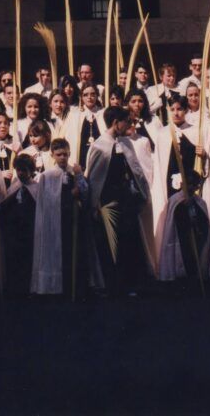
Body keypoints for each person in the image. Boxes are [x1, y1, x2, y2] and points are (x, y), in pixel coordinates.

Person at [86, 106, 154, 296]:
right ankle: (114, 286)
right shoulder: (100, 146)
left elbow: (135, 171)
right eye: (127, 122)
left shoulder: (125, 143)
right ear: (116, 123)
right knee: (112, 244)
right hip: (108, 203)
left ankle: (131, 284)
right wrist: (95, 205)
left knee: (129, 241)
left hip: (126, 200)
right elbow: (94, 179)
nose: (130, 125)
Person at [151, 96, 209, 285]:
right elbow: (160, 164)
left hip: (191, 188)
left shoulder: (195, 131)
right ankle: (173, 269)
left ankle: (193, 269)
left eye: (180, 109)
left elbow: (202, 163)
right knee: (174, 228)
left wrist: (203, 155)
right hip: (171, 189)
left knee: (192, 228)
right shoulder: (163, 134)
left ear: (186, 110)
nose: (176, 113)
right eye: (173, 109)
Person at [31, 138, 89, 297]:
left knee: (74, 253)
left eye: (65, 154)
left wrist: (79, 175)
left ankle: (75, 287)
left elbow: (85, 192)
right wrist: (70, 195)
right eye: (59, 154)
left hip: (74, 220)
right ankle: (57, 288)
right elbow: (49, 202)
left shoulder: (74, 171)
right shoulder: (47, 176)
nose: (62, 157)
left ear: (69, 153)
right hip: (57, 221)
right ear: (52, 155)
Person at [0, 153, 38, 296]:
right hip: (13, 231)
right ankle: (13, 288)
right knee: (13, 259)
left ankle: (26, 288)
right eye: (18, 170)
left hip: (29, 231)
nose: (20, 173)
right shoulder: (14, 186)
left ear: (31, 171)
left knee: (27, 260)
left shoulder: (36, 188)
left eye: (24, 170)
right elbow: (6, 204)